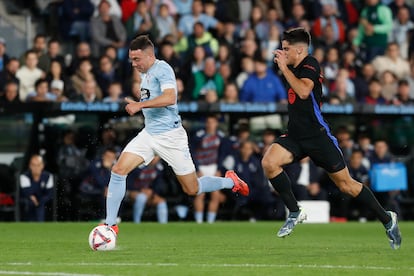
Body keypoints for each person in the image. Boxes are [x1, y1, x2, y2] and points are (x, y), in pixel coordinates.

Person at [262, 27, 401, 249]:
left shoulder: (310, 64)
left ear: (299, 50)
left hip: (318, 137)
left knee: (347, 186)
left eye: (286, 49)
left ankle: (387, 219)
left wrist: (283, 69)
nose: (282, 52)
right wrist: (282, 66)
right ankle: (294, 211)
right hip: (296, 135)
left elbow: (304, 92)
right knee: (269, 162)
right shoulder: (291, 66)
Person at [101, 35, 249, 234]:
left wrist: (140, 104)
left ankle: (230, 181)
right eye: (131, 59)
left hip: (171, 137)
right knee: (118, 170)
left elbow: (170, 98)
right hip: (149, 134)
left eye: (136, 59)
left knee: (192, 188)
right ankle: (110, 225)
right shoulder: (144, 74)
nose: (133, 63)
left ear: (149, 55)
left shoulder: (163, 69)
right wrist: (139, 103)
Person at [20, 155, 54, 222]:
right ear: (30, 166)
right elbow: (26, 191)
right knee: (29, 203)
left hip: (42, 201)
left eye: (38, 165)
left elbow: (49, 193)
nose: (36, 168)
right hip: (28, 200)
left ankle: (41, 224)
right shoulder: (24, 176)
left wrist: (39, 201)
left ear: (42, 166)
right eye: (33, 165)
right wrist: (31, 197)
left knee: (42, 205)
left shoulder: (48, 176)